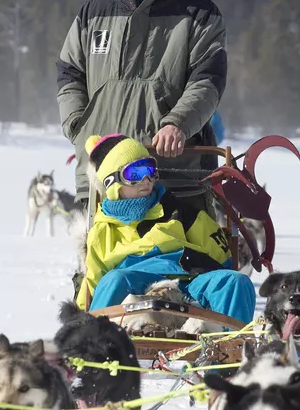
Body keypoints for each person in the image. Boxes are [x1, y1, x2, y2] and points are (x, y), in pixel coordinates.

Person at [56, 0, 227, 207]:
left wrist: (178, 123)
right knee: (101, 255)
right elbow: (69, 72)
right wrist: (77, 123)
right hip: (103, 173)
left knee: (175, 255)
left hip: (171, 175)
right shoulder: (93, 13)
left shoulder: (200, 14)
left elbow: (208, 79)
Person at [74, 134, 255, 326]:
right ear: (113, 182)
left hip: (186, 280)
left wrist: (228, 258)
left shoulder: (179, 212)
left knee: (236, 282)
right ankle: (92, 342)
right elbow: (94, 282)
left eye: (150, 170)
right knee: (113, 279)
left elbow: (220, 255)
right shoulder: (103, 230)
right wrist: (80, 313)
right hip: (134, 284)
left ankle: (232, 347)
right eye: (135, 174)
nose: (146, 180)